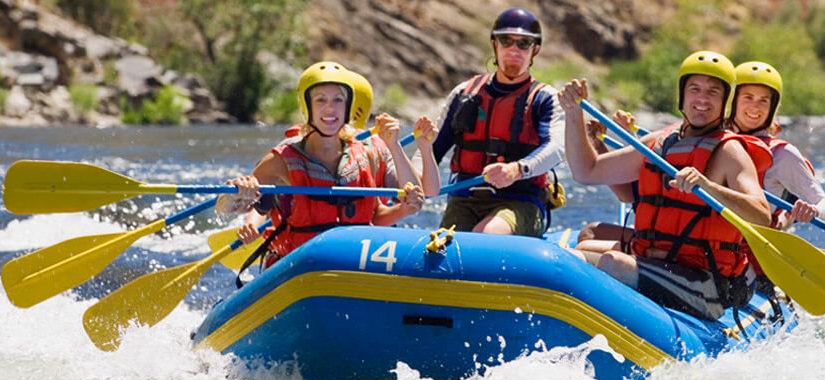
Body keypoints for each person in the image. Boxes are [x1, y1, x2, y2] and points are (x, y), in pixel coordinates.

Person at [558, 51, 776, 320]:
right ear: (682, 95)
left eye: (713, 92)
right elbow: (586, 171)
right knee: (571, 258)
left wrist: (708, 186)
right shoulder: (658, 143)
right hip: (656, 261)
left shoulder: (729, 150)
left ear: (725, 103)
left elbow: (762, 214)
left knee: (612, 262)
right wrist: (573, 112)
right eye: (695, 89)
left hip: (706, 283)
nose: (702, 99)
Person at [216, 62, 437, 269]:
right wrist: (238, 192)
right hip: (299, 267)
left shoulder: (368, 151)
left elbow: (416, 194)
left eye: (338, 100)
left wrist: (395, 146)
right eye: (320, 100)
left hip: (355, 263)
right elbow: (225, 207)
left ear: (348, 106)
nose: (330, 109)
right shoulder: (283, 158)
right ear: (308, 107)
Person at [430, 7, 565, 237]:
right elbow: (431, 151)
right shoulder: (464, 93)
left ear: (535, 50)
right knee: (443, 245)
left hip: (522, 202)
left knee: (488, 232)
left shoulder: (545, 99)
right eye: (506, 41)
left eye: (523, 43)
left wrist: (516, 169)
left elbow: (556, 149)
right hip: (464, 200)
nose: (514, 49)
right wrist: (410, 183)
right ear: (495, 45)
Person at [727, 61, 825, 227]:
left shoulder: (783, 154)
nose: (755, 107)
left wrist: (814, 211)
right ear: (733, 101)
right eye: (748, 97)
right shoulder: (712, 140)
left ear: (772, 108)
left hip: (748, 248)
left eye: (763, 100)